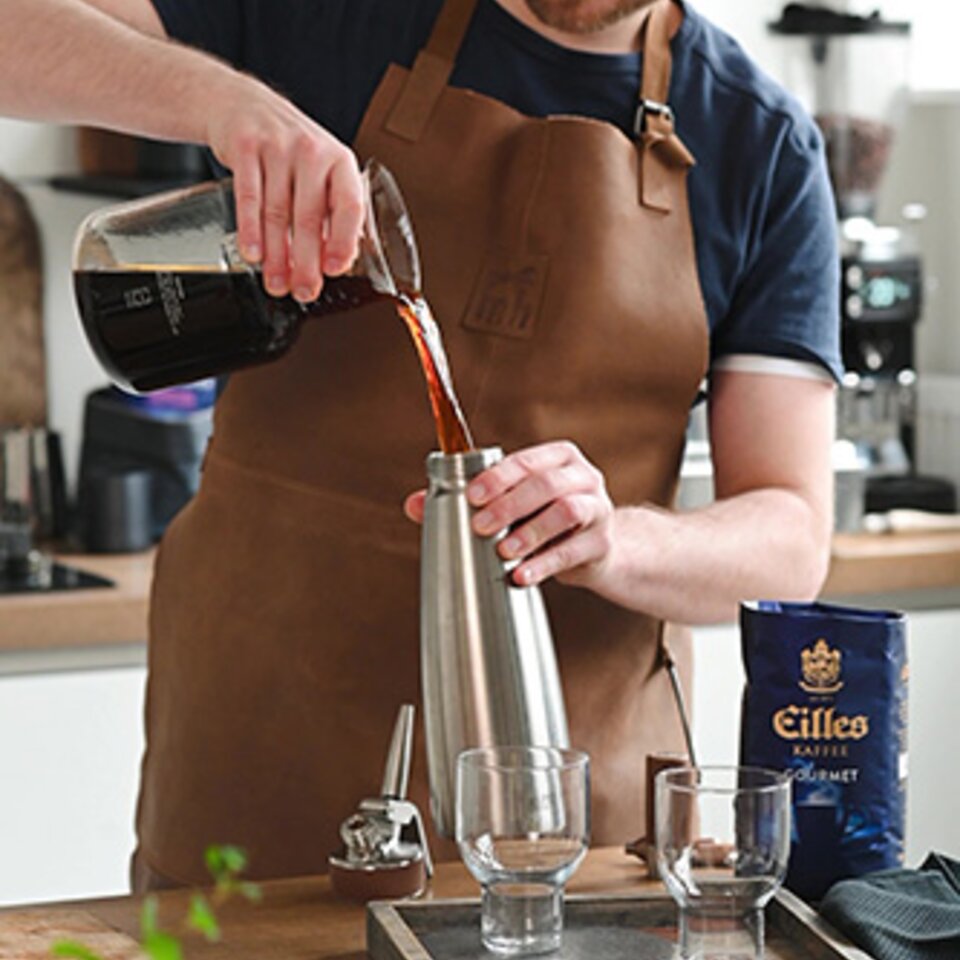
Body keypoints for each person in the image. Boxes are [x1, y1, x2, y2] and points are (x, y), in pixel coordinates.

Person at [0, 0, 840, 889]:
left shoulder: (761, 145)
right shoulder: (316, 19)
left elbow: (790, 540)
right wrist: (226, 104)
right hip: (254, 777)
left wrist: (618, 539)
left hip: (566, 839)